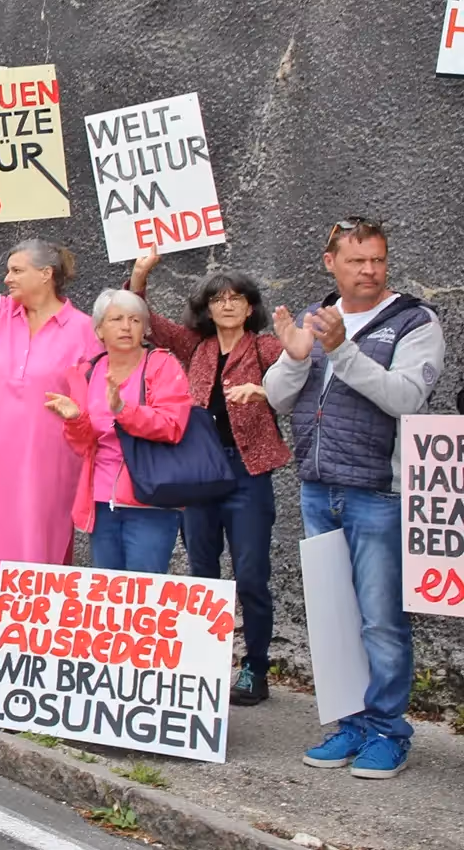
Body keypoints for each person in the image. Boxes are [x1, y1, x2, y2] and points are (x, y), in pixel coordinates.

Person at [266, 217, 443, 779]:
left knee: (381, 621)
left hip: (378, 493)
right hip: (318, 488)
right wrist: (296, 356)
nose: (370, 271)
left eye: (378, 260)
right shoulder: (317, 316)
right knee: (334, 617)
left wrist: (341, 350)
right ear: (330, 263)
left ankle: (388, 731)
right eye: (357, 261)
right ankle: (351, 724)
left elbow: (405, 397)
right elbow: (276, 398)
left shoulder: (415, 321)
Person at [131, 250, 288, 705]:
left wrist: (266, 391)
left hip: (247, 471)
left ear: (250, 306)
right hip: (199, 472)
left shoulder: (264, 348)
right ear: (207, 308)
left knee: (251, 575)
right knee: (202, 574)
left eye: (236, 298)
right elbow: (147, 322)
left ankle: (254, 667)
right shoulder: (195, 346)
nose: (228, 305)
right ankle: (205, 664)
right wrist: (140, 275)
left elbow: (301, 372)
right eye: (219, 299)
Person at [0, 219, 99, 600]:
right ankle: (7, 630)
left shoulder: (84, 329)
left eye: (16, 270)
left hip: (46, 458)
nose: (7, 278)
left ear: (46, 274)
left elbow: (93, 397)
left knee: (38, 547)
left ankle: (34, 628)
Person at [44, 290, 191, 573]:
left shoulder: (162, 365)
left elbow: (172, 425)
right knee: (108, 590)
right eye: (117, 319)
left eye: (135, 320)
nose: (126, 326)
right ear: (99, 329)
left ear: (144, 329)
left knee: (143, 588)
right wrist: (75, 420)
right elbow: (83, 445)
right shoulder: (87, 372)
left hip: (150, 497)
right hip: (100, 499)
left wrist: (123, 410)